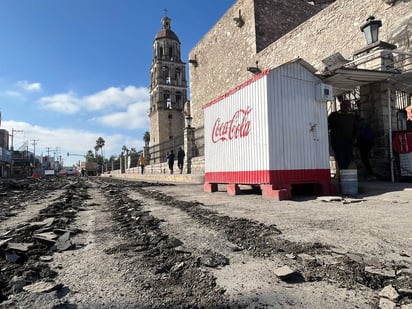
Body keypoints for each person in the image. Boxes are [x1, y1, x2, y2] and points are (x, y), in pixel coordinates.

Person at [328, 100, 357, 172]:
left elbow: (356, 128)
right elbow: (328, 125)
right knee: (340, 158)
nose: (347, 107)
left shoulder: (352, 116)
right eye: (345, 105)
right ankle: (343, 174)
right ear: (341, 106)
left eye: (348, 105)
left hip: (348, 141)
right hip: (337, 141)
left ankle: (344, 173)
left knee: (348, 157)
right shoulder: (334, 115)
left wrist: (355, 137)